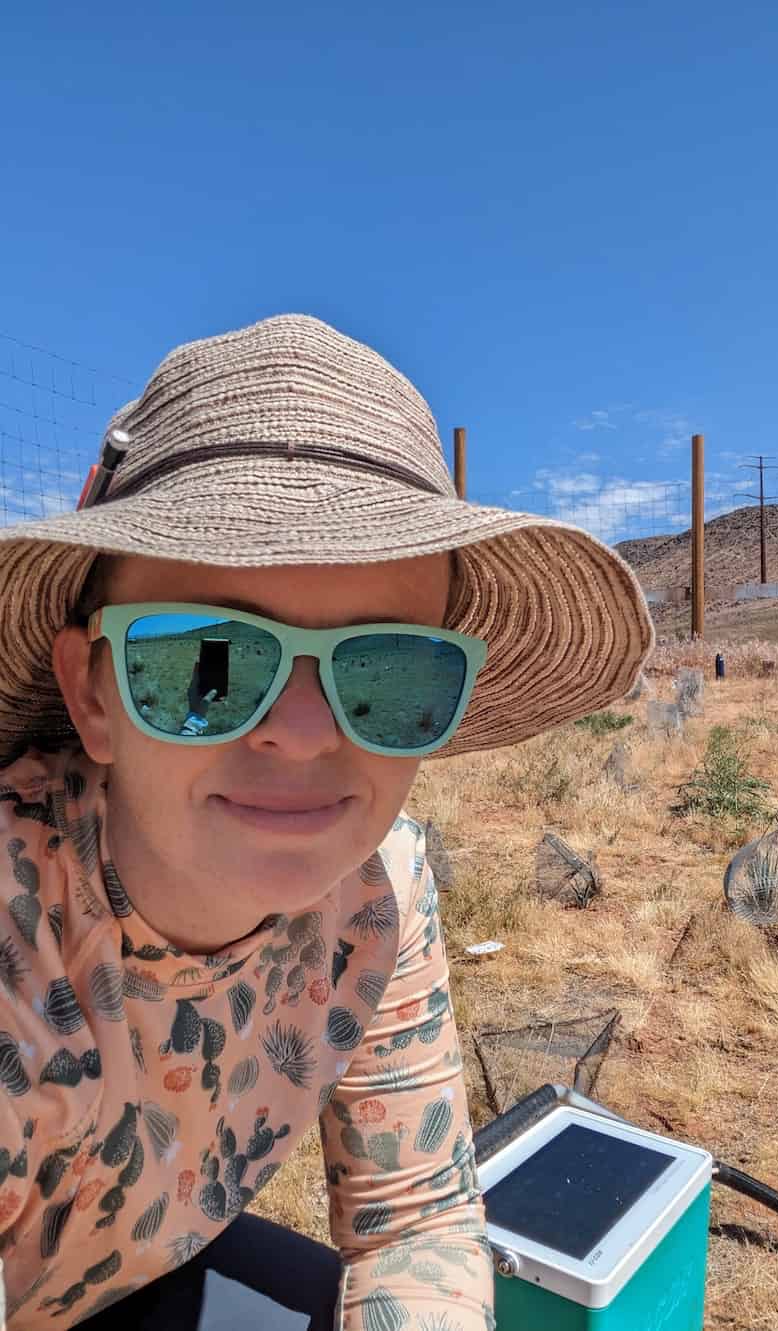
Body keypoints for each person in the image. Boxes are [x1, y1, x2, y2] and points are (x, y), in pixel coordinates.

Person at [0, 314, 653, 1329]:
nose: (303, 734)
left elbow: (416, 1222)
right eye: (208, 663)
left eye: (386, 669)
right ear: (93, 694)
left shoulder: (378, 889)